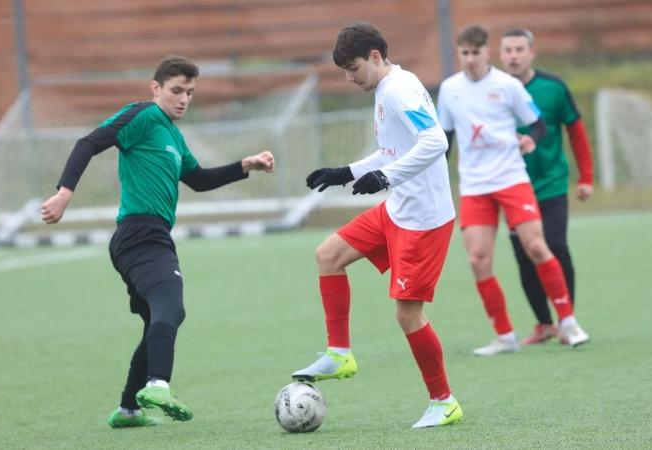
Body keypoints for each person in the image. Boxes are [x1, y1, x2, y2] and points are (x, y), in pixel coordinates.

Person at [40, 55, 275, 429]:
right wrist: (65, 192)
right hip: (140, 235)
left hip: (150, 236)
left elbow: (197, 179)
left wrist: (244, 165)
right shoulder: (143, 115)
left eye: (190, 92)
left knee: (156, 322)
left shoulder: (173, 134)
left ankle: (128, 411)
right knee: (172, 308)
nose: (183, 98)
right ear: (156, 89)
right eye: (176, 90)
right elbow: (90, 142)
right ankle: (158, 384)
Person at [290, 22, 462, 429]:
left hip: (423, 220)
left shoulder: (399, 89)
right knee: (328, 254)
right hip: (398, 208)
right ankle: (339, 353)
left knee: (407, 316)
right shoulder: (387, 87)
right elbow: (392, 151)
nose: (350, 79)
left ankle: (444, 401)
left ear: (374, 57)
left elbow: (436, 141)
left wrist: (387, 178)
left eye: (352, 69)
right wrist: (346, 171)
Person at [437, 25, 589, 356]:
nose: (470, 59)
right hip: (475, 185)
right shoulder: (449, 89)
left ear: (487, 53)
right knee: (478, 260)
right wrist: (434, 178)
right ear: (459, 53)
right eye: (464, 53)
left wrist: (530, 139)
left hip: (511, 178)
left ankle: (567, 322)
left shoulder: (507, 86)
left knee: (536, 245)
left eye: (476, 53)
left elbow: (538, 123)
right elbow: (444, 139)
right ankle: (505, 336)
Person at [500, 28, 595, 345]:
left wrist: (586, 178)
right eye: (508, 50)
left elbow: (576, 132)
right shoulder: (493, 91)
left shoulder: (553, 88)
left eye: (519, 49)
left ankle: (566, 319)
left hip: (551, 184)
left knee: (555, 245)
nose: (513, 55)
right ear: (500, 56)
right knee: (524, 255)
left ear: (531, 53)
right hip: (510, 186)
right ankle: (544, 324)